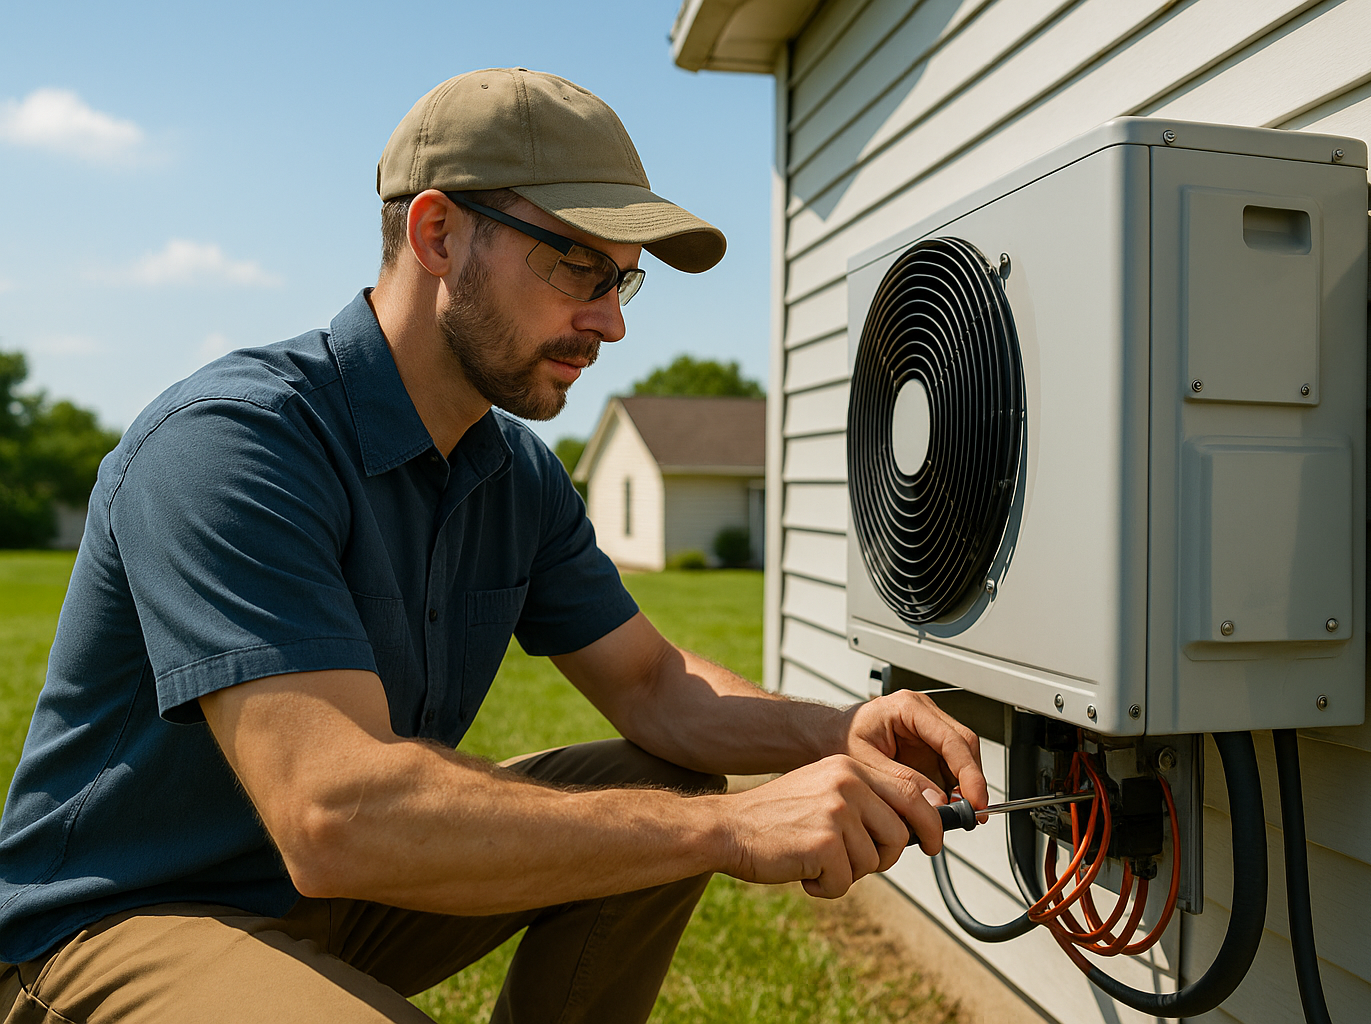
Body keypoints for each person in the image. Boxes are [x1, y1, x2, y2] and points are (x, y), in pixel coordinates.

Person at [0, 68, 986, 1023]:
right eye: (575, 265)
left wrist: (838, 731)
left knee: (659, 778)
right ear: (436, 234)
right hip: (118, 921)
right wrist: (730, 829)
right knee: (683, 816)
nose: (607, 320)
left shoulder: (513, 471)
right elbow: (334, 815)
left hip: (330, 902)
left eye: (622, 281)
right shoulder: (233, 443)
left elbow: (653, 687)